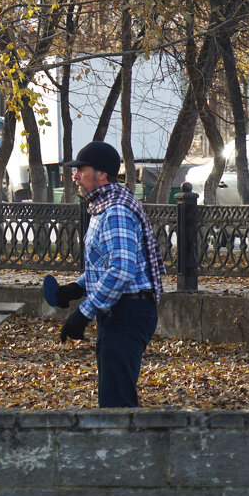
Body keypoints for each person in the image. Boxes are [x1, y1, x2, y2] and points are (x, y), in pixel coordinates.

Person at [52, 141, 166, 408]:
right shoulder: (103, 207)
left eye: (81, 169)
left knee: (117, 402)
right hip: (118, 310)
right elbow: (106, 264)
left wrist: (84, 313)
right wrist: (76, 288)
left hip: (128, 312)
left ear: (101, 174)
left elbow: (121, 270)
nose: (75, 176)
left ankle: (125, 448)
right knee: (113, 396)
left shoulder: (115, 211)